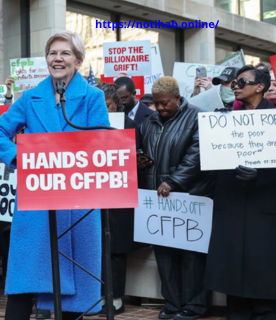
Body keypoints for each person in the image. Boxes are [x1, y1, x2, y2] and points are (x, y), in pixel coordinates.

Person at [0, 30, 109, 320]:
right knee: (25, 280)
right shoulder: (30, 98)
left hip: (78, 202)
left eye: (65, 53)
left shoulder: (93, 97)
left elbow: (102, 142)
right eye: (53, 53)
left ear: (78, 60)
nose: (58, 58)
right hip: (38, 201)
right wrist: (19, 157)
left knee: (74, 290)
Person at [136, 77, 214, 320]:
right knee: (165, 255)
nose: (159, 108)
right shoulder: (148, 122)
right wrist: (141, 158)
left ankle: (194, 306)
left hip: (189, 197)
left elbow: (197, 157)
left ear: (178, 99)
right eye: (156, 104)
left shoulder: (198, 118)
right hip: (158, 198)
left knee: (191, 256)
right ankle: (172, 304)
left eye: (164, 103)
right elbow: (139, 148)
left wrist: (174, 181)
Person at [204, 66, 276, 320]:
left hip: (264, 210)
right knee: (232, 281)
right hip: (230, 207)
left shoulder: (275, 118)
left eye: (243, 81)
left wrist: (262, 176)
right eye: (234, 81)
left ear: (260, 87)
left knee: (265, 281)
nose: (236, 85)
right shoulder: (223, 119)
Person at [92, 83, 143, 316]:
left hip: (120, 199)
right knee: (95, 248)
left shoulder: (130, 127)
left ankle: (116, 297)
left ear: (116, 104)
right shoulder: (83, 127)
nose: (102, 109)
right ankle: (97, 295)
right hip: (93, 197)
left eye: (107, 105)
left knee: (115, 251)